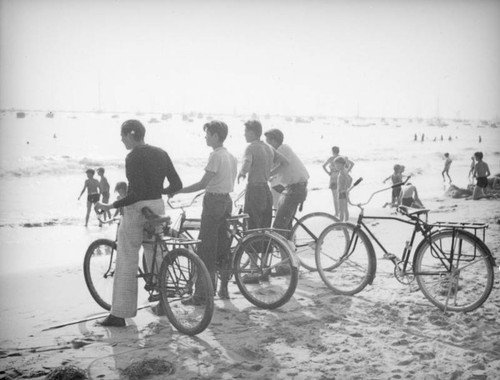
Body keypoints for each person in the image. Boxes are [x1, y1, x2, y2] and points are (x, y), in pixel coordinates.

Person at [95, 120, 182, 327]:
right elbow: (176, 184)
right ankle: (163, 304)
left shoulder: (133, 156)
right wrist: (157, 191)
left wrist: (111, 205)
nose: (121, 140)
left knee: (127, 257)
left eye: (122, 136)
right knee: (156, 255)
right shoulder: (161, 152)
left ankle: (119, 314)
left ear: (130, 135)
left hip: (137, 210)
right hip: (157, 207)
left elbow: (136, 194)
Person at [171, 120, 237, 301]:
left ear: (215, 136)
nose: (205, 137)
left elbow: (202, 183)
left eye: (207, 134)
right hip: (226, 201)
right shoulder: (231, 156)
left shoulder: (215, 156)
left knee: (206, 249)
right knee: (223, 247)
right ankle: (223, 289)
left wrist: (178, 191)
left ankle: (201, 295)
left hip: (213, 201)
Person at [264, 128, 309, 237]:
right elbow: (281, 168)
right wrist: (271, 175)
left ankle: (286, 251)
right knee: (286, 225)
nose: (267, 146)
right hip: (296, 188)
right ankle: (289, 251)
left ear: (274, 141)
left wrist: (268, 174)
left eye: (268, 142)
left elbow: (281, 164)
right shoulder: (283, 150)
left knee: (278, 226)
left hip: (295, 189)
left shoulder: (282, 148)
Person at [238, 120, 278, 230]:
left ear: (252, 133)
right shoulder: (268, 148)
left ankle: (253, 248)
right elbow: (283, 161)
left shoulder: (250, 147)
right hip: (266, 189)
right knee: (264, 227)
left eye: (245, 131)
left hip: (254, 190)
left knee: (252, 227)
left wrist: (242, 172)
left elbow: (247, 162)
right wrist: (268, 173)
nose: (244, 134)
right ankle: (265, 247)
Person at [322, 146, 354, 217]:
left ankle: (337, 213)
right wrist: (347, 171)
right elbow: (352, 164)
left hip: (333, 178)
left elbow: (323, 166)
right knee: (343, 196)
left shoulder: (330, 159)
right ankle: (344, 213)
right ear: (339, 151)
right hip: (342, 177)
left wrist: (328, 173)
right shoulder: (342, 158)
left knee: (335, 197)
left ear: (332, 151)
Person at [334, 157, 352, 221]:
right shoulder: (343, 170)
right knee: (344, 209)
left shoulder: (343, 171)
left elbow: (348, 179)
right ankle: (345, 224)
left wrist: (345, 189)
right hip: (342, 192)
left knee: (341, 209)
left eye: (337, 164)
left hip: (342, 192)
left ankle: (341, 224)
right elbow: (349, 179)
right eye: (335, 164)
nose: (335, 166)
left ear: (341, 164)